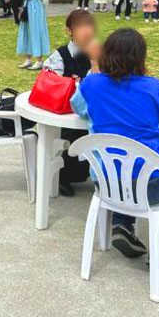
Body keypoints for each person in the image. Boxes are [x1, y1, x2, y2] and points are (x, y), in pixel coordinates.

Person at [71, 28, 159, 258]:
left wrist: (94, 68)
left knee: (123, 163)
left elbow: (78, 107)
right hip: (152, 186)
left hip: (107, 183)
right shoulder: (153, 87)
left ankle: (122, 224)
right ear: (141, 56)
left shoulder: (91, 84)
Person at [43, 10, 101, 196]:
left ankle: (98, 173)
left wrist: (96, 63)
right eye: (81, 26)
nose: (87, 31)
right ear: (69, 31)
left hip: (91, 112)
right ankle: (63, 175)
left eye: (90, 25)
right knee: (71, 135)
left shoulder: (99, 56)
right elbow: (51, 84)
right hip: (65, 113)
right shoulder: (60, 56)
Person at [16, 0, 50, 70]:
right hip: (27, 7)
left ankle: (39, 60)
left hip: (36, 8)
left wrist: (42, 11)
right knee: (27, 32)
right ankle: (28, 59)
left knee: (36, 32)